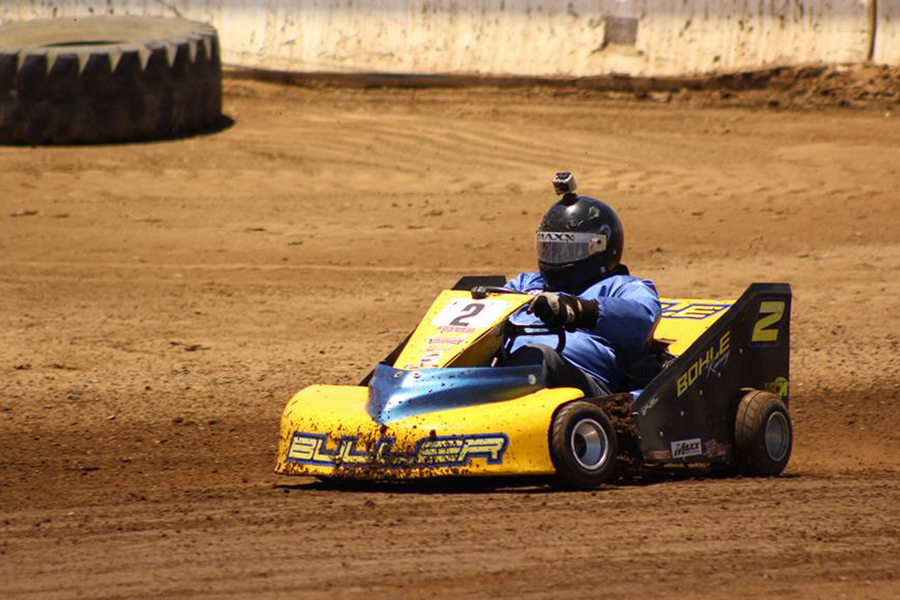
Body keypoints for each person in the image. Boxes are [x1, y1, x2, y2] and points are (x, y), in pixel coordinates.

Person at [502, 173, 661, 396]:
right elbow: (494, 303)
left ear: (600, 247)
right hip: (504, 374)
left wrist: (577, 309)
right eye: (551, 249)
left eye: (568, 250)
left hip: (583, 385)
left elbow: (643, 317)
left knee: (537, 356)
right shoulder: (527, 283)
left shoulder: (622, 286)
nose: (557, 258)